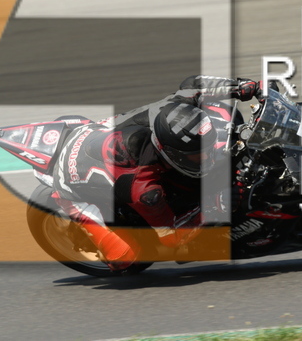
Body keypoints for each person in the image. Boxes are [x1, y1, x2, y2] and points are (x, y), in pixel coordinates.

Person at [51, 75, 261, 271]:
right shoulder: (143, 188)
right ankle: (84, 224)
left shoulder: (171, 110)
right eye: (198, 156)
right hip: (71, 183)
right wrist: (211, 208)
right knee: (124, 257)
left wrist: (244, 87)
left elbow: (193, 85)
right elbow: (171, 237)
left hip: (93, 133)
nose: (208, 157)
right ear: (171, 153)